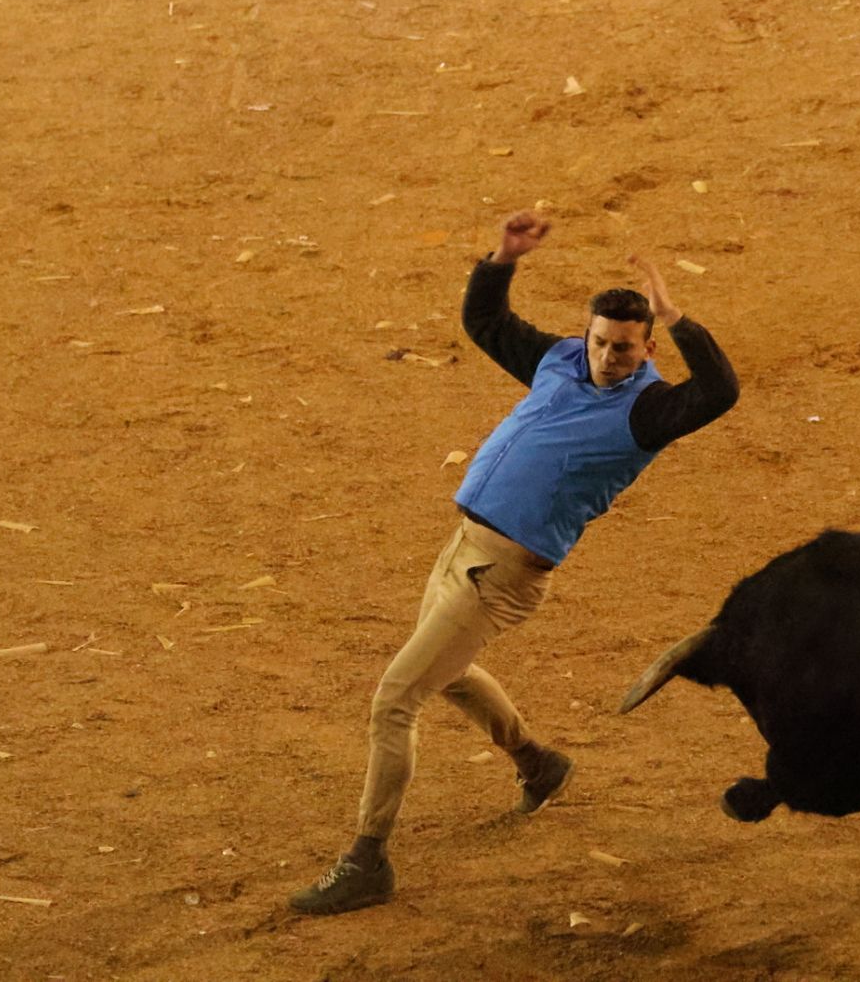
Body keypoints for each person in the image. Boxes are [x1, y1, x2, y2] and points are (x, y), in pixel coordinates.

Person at [290, 209, 740, 915]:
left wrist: (677, 315)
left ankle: (367, 859)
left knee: (394, 700)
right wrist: (503, 258)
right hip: (462, 548)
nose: (607, 357)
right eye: (600, 342)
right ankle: (538, 762)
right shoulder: (560, 359)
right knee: (448, 673)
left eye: (624, 348)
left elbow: (720, 391)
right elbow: (487, 323)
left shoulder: (651, 410)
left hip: (502, 576)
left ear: (647, 347)